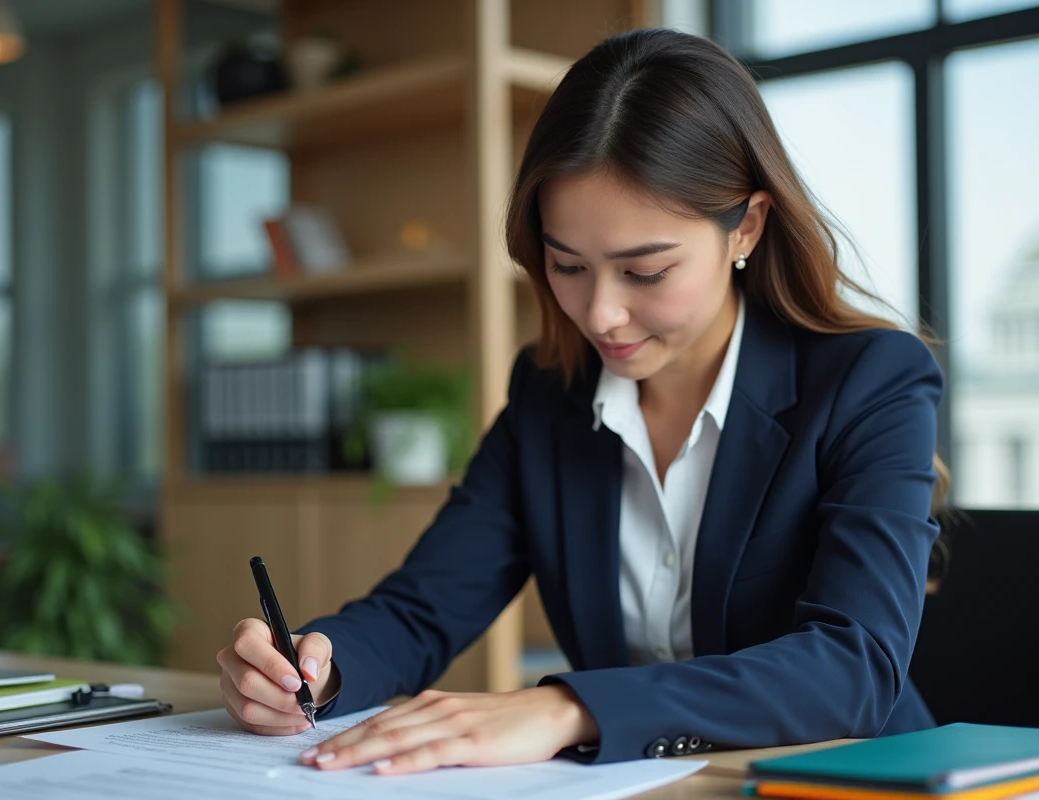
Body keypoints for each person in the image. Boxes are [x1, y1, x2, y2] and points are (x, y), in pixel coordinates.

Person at [215, 28, 947, 775]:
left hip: (857, 784)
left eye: (646, 272)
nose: (598, 314)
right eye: (567, 265)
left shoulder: (871, 380)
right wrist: (313, 670)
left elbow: (852, 668)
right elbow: (421, 610)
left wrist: (572, 708)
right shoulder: (551, 395)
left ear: (746, 227)